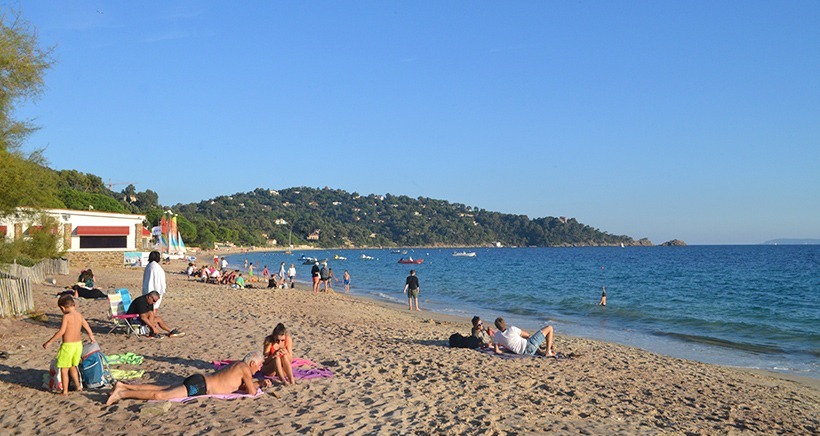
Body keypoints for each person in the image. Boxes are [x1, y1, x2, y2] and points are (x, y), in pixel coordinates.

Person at [105, 351, 271, 405]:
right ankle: (122, 394)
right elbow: (250, 391)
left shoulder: (237, 365)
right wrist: (260, 383)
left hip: (199, 380)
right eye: (259, 365)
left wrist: (257, 381)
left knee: (162, 388)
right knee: (161, 396)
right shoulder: (245, 370)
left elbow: (235, 385)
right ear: (251, 363)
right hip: (200, 387)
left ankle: (123, 386)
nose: (260, 368)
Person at [42, 295, 96, 395]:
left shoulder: (66, 317)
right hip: (78, 345)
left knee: (64, 369)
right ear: (74, 305)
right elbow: (86, 326)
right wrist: (91, 336)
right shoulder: (79, 315)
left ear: (62, 308)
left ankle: (65, 391)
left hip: (68, 346)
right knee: (73, 366)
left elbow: (61, 331)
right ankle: (78, 386)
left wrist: (49, 341)